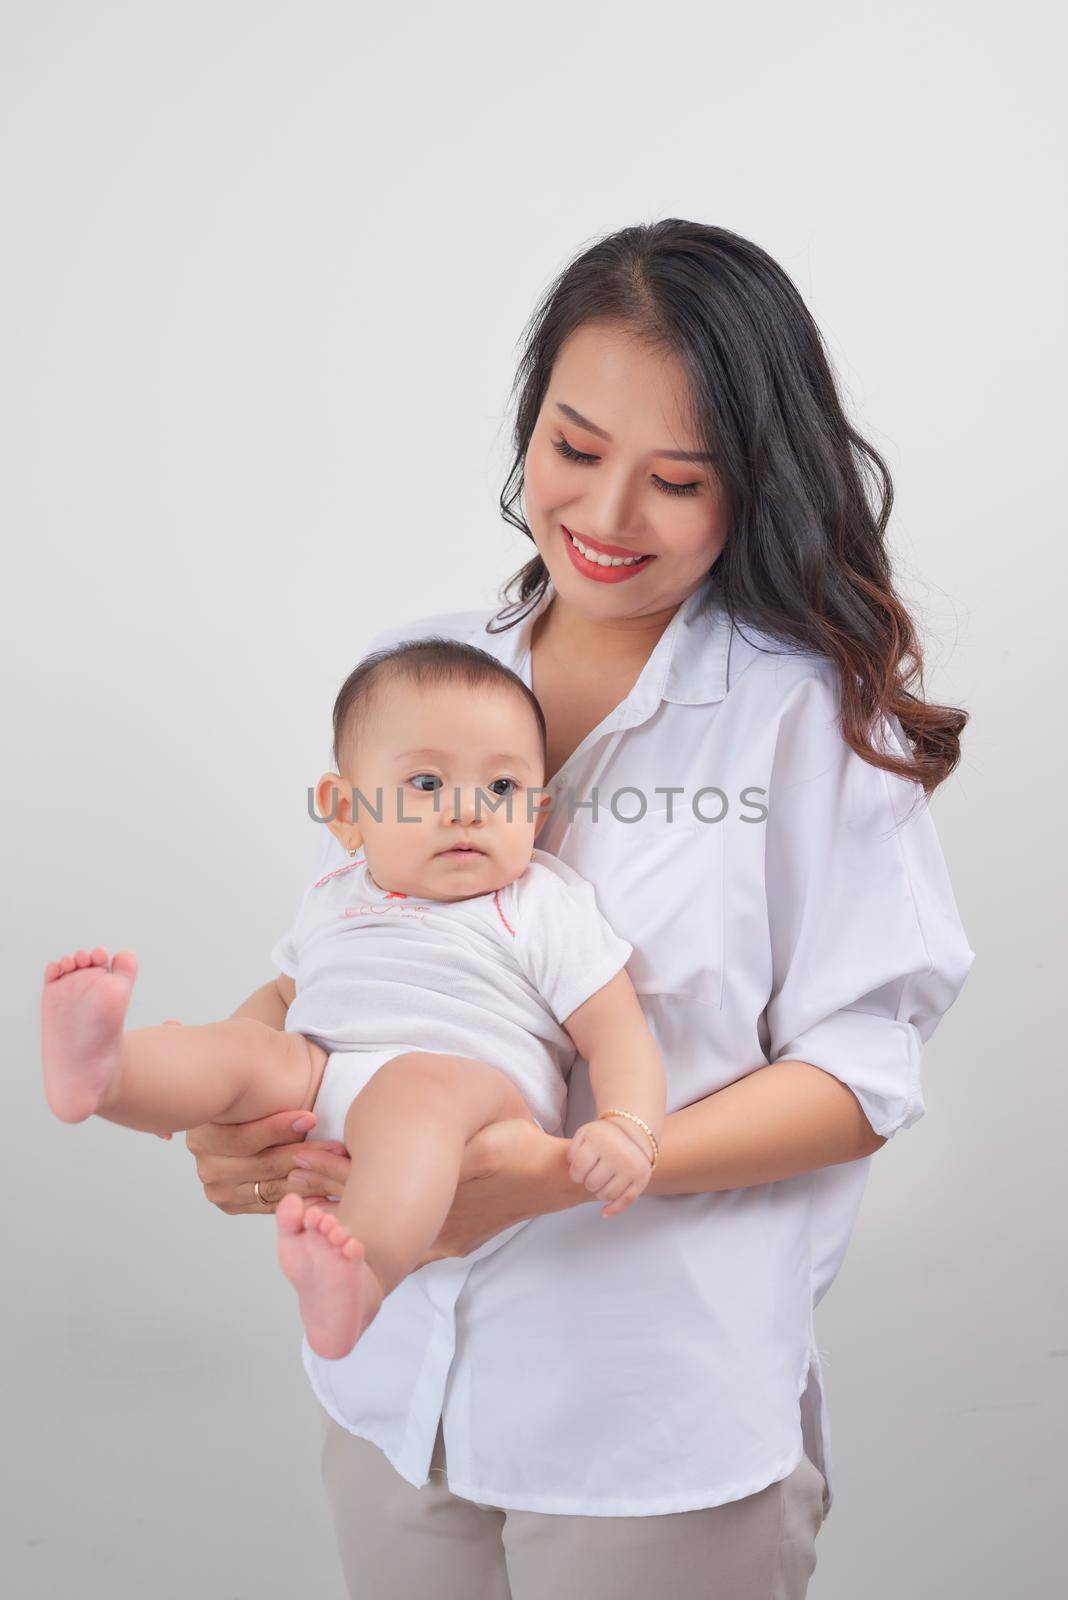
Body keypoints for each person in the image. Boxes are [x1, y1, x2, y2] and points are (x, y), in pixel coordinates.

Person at [185, 219, 976, 1599]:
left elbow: (861, 1075)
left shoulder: (808, 723)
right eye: (573, 447)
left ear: (758, 484)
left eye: (677, 479)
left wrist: (573, 1172)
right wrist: (233, 1115)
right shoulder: (423, 678)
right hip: (393, 1389)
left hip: (650, 1420)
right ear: (528, 420)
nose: (605, 520)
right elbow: (344, 946)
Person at [39, 642, 668, 1359]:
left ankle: (364, 1273)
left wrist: (627, 1128)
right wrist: (213, 1078)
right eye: (427, 782)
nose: (468, 810)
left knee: (415, 1088)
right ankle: (111, 1072)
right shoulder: (335, 896)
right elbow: (283, 995)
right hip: (320, 1082)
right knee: (248, 1047)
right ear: (346, 813)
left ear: (538, 811)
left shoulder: (541, 905)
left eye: (501, 789)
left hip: (470, 1102)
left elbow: (617, 1036)